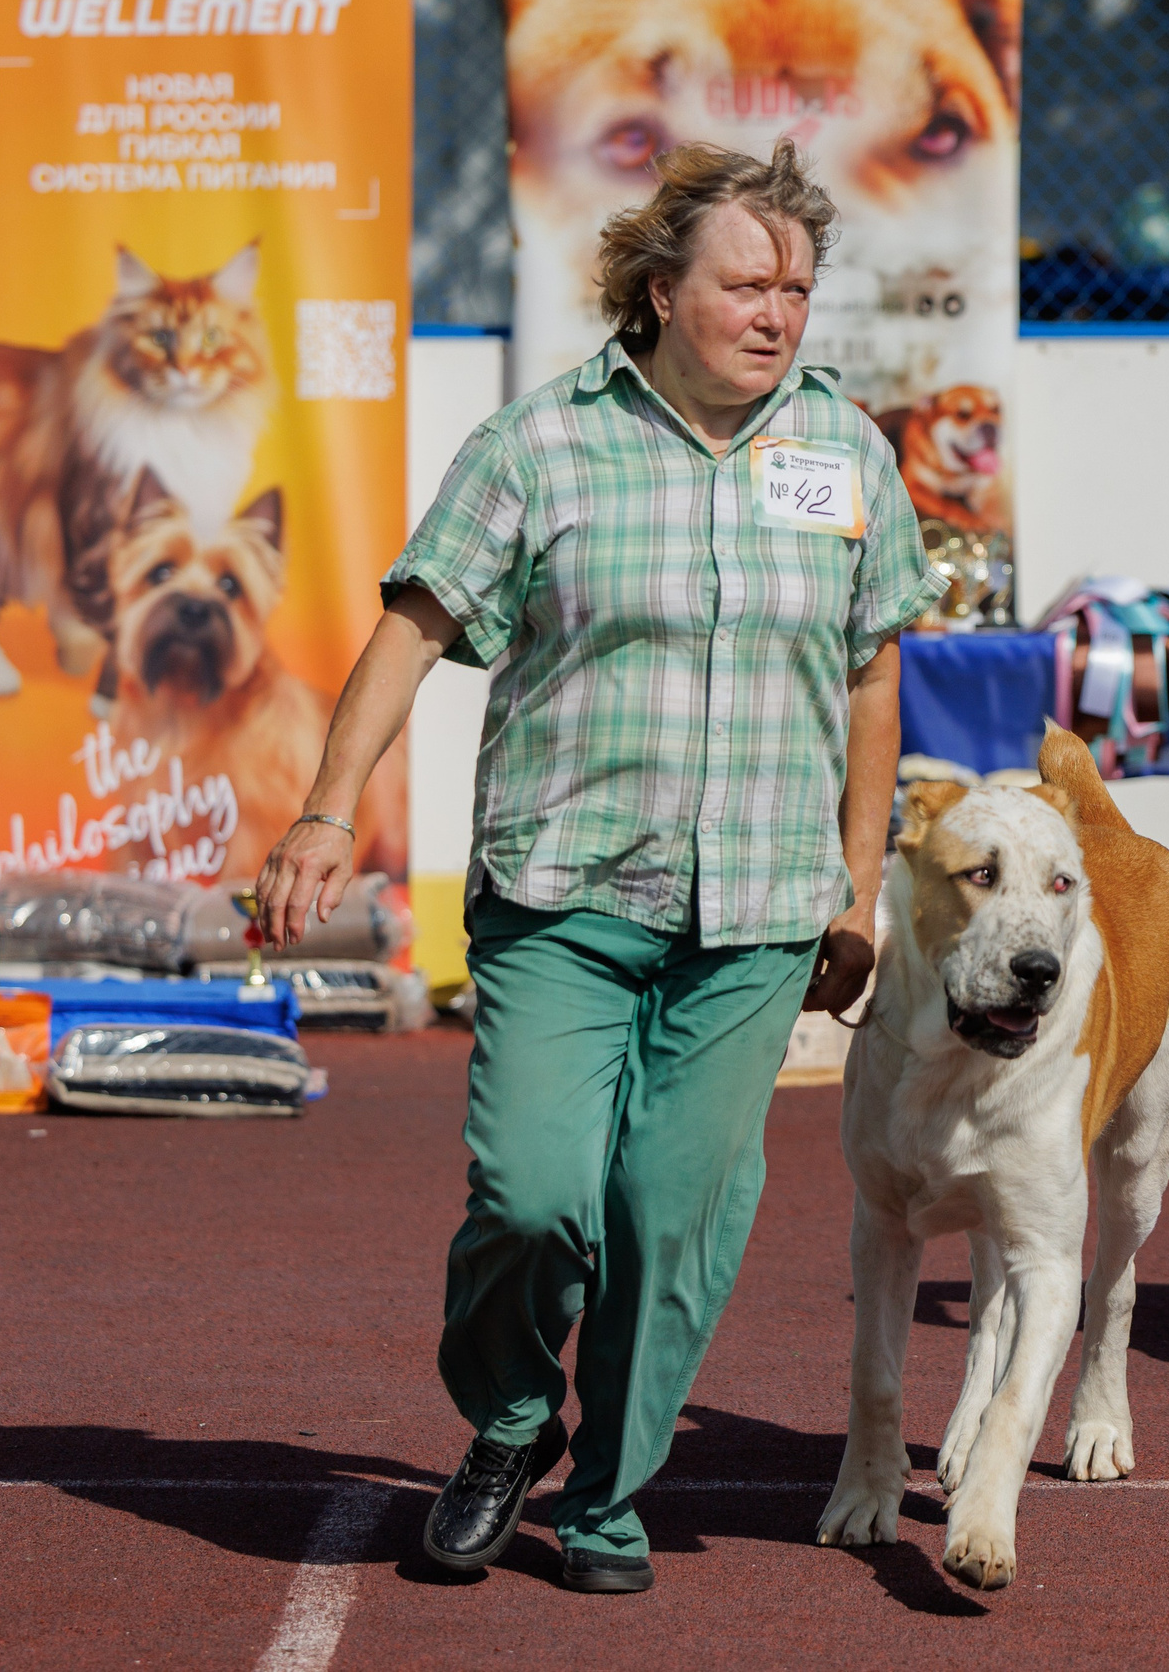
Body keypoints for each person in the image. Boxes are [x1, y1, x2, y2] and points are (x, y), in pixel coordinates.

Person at [254, 139, 942, 1594]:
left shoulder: (846, 451)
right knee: (535, 1192)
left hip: (757, 904)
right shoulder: (540, 443)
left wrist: (859, 881)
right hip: (564, 888)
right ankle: (511, 1418)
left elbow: (873, 673)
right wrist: (327, 808)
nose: (778, 313)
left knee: (673, 1213)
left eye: (800, 288)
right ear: (656, 290)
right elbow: (414, 629)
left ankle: (613, 1494)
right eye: (746, 283)